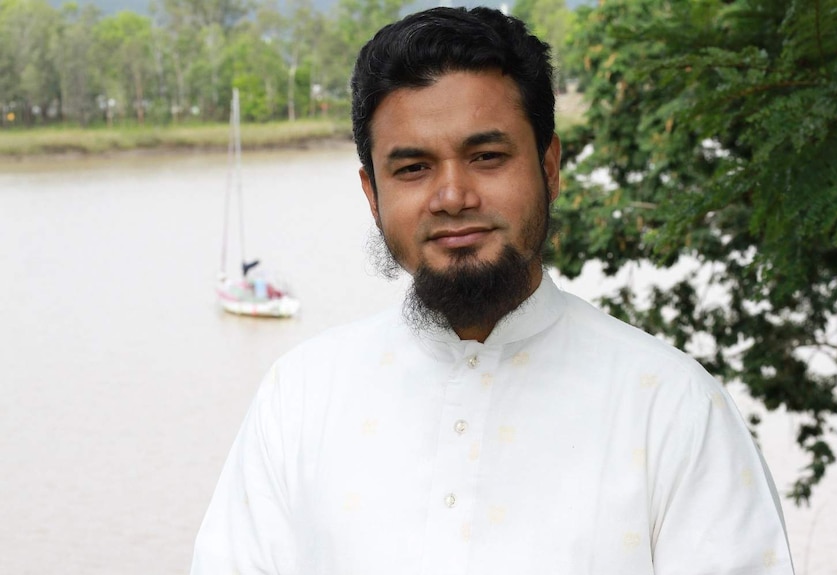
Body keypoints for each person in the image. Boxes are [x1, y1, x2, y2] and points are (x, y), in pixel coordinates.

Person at [191, 7, 795, 574]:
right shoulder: (299, 401)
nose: (453, 196)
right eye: (412, 168)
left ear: (550, 167)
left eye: (486, 156)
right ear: (372, 195)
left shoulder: (672, 408)